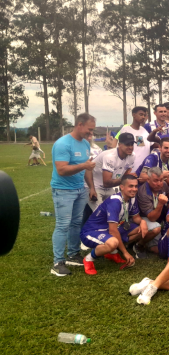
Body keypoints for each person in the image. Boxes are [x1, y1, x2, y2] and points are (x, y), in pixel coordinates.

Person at [50, 113, 97, 277]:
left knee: (76, 223)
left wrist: (91, 187)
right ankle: (57, 262)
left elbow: (86, 169)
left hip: (80, 189)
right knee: (63, 225)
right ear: (79, 124)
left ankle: (73, 254)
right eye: (89, 129)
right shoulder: (62, 144)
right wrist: (84, 165)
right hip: (63, 190)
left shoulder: (85, 144)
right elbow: (61, 170)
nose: (91, 133)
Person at [81, 174, 148, 275]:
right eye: (130, 186)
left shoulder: (132, 198)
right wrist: (125, 253)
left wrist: (143, 222)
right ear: (122, 187)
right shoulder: (115, 201)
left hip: (108, 230)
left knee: (141, 229)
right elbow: (113, 231)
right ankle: (89, 259)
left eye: (135, 186)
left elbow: (136, 217)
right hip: (92, 231)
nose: (134, 189)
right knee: (113, 243)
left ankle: (112, 252)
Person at [86, 132, 136, 212]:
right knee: (100, 213)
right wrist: (126, 179)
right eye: (127, 144)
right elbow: (106, 182)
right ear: (119, 145)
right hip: (94, 186)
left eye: (132, 144)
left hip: (109, 187)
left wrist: (128, 178)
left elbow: (126, 175)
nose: (130, 147)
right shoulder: (110, 156)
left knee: (115, 209)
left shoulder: (132, 156)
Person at [135, 167, 169, 258]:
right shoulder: (143, 192)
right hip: (144, 218)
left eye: (161, 180)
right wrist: (160, 204)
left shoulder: (163, 184)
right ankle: (139, 245)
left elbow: (168, 191)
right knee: (157, 247)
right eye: (155, 181)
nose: (159, 183)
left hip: (157, 214)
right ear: (148, 180)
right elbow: (152, 218)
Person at [116, 107, 151, 172]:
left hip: (144, 169)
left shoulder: (144, 131)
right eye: (141, 114)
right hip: (130, 169)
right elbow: (120, 149)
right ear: (133, 115)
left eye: (144, 115)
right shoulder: (126, 130)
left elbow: (142, 145)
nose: (143, 117)